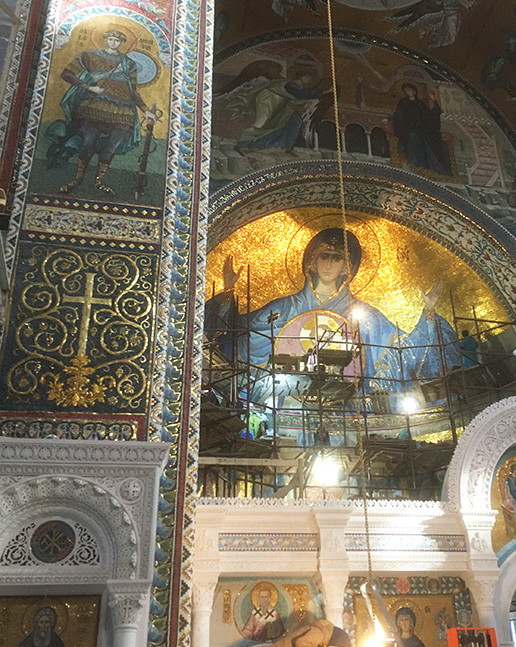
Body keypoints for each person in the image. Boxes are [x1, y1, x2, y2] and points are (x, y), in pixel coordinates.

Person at [205, 227, 459, 406]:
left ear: (347, 267)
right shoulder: (283, 308)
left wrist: (428, 312)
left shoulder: (366, 317)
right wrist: (227, 295)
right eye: (323, 256)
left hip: (348, 412)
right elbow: (238, 338)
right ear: (312, 263)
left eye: (336, 258)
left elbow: (403, 352)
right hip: (286, 407)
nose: (328, 264)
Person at [49, 29, 158, 195]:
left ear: (121, 43)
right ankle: (78, 179)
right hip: (96, 106)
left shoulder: (128, 63)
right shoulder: (90, 55)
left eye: (117, 40)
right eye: (111, 39)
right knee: (87, 143)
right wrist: (89, 87)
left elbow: (133, 91)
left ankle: (99, 181)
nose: (113, 42)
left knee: (111, 147)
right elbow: (66, 74)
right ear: (106, 39)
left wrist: (146, 111)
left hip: (122, 111)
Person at [228, 69, 329, 152]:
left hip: (280, 103)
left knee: (295, 120)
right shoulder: (290, 84)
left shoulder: (298, 87)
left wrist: (306, 101)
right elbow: (300, 94)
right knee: (261, 123)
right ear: (300, 77)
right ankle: (240, 145)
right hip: (268, 99)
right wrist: (324, 92)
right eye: (306, 77)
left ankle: (287, 148)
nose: (308, 80)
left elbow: (295, 100)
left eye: (309, 78)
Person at [392, 83, 452, 176]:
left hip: (423, 130)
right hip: (408, 130)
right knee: (414, 136)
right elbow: (398, 114)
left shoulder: (420, 104)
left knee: (437, 143)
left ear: (414, 91)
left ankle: (433, 168)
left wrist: (434, 102)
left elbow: (429, 117)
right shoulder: (403, 103)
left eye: (409, 90)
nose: (407, 92)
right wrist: (390, 118)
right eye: (405, 91)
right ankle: (416, 164)